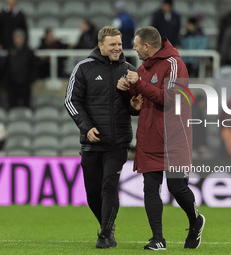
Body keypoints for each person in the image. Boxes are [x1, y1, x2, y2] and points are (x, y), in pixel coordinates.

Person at [117, 26, 205, 250]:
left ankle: (195, 221)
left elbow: (170, 99)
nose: (133, 48)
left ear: (147, 45)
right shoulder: (143, 68)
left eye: (136, 44)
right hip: (149, 137)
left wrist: (138, 84)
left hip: (173, 138)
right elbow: (141, 101)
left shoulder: (175, 64)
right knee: (150, 188)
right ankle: (158, 238)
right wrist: (128, 93)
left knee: (177, 187)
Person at [64, 26, 143, 249]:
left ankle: (105, 234)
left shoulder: (129, 70)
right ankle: (107, 227)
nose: (118, 48)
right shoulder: (83, 68)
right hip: (91, 142)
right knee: (92, 194)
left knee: (109, 185)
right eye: (113, 44)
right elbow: (71, 101)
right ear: (101, 46)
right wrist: (86, 127)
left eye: (119, 43)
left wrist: (135, 106)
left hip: (118, 142)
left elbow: (133, 106)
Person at [5, 29, 36, 108]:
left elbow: (33, 66)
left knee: (26, 104)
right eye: (16, 38)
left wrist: (31, 79)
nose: (18, 40)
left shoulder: (29, 52)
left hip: (25, 83)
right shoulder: (10, 51)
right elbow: (6, 67)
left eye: (20, 38)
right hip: (12, 83)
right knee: (12, 104)